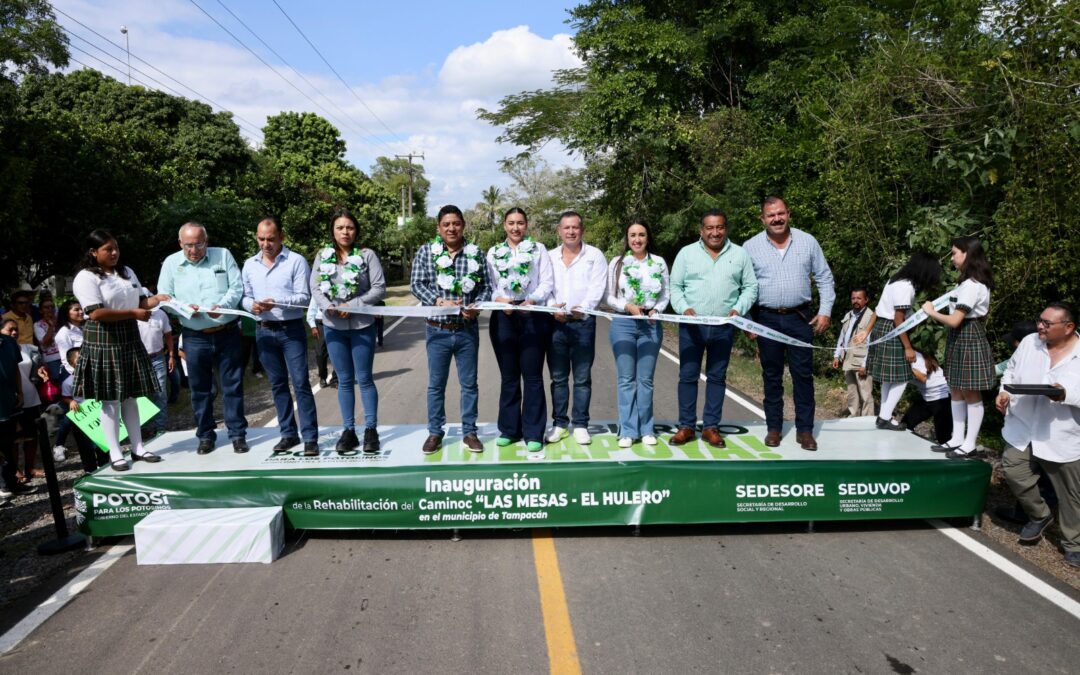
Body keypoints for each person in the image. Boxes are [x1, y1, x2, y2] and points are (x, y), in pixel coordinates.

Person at [744, 196, 835, 451]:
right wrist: (748, 321)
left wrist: (825, 310)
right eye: (771, 215)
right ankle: (774, 428)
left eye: (781, 213)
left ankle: (805, 430)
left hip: (799, 318)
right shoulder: (749, 247)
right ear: (763, 219)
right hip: (766, 319)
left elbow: (825, 278)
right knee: (771, 376)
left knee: (803, 376)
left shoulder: (808, 242)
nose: (777, 219)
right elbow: (741, 287)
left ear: (789, 214)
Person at [72, 230, 168, 471]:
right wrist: (134, 313)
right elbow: (95, 313)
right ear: (93, 252)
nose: (114, 253)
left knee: (132, 396)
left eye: (115, 248)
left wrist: (158, 299)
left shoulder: (126, 272)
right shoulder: (85, 277)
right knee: (110, 400)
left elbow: (138, 303)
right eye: (108, 249)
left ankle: (138, 447)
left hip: (129, 336)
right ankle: (116, 452)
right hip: (104, 339)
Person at [997, 301, 1080, 569]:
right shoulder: (1030, 342)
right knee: (1013, 471)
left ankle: (1073, 545)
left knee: (1070, 495)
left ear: (1069, 327)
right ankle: (1040, 514)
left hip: (1061, 433)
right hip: (1022, 424)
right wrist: (1005, 392)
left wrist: (1064, 393)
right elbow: (1011, 371)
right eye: (1039, 320)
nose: (1039, 327)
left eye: (1047, 323)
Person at [669, 210, 758, 448]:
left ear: (725, 229)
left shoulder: (740, 254)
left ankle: (710, 427)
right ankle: (686, 427)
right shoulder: (686, 253)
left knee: (717, 378)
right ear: (701, 230)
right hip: (691, 326)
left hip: (723, 327)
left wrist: (739, 309)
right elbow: (675, 287)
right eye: (709, 228)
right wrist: (683, 308)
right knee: (687, 376)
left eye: (719, 227)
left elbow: (750, 287)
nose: (714, 232)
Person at [158, 222, 248, 455]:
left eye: (198, 244)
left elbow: (236, 288)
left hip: (227, 331)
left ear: (206, 241)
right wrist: (184, 310)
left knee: (233, 386)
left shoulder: (223, 255)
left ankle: (238, 434)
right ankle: (206, 435)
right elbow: (165, 299)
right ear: (180, 244)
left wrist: (224, 306)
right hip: (194, 336)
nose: (194, 250)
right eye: (188, 245)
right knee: (200, 389)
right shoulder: (171, 263)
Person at [411, 205, 491, 454]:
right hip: (437, 330)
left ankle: (470, 432)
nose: (451, 228)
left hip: (467, 329)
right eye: (446, 224)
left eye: (456, 223)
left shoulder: (476, 253)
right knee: (436, 385)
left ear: (463, 225)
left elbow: (487, 287)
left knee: (469, 384)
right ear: (439, 227)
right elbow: (416, 284)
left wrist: (476, 306)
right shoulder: (426, 251)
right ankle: (435, 432)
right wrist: (438, 301)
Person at [243, 216, 320, 456]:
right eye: (261, 239)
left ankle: (310, 438)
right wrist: (251, 306)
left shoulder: (295, 261)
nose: (266, 244)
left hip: (290, 330)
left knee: (300, 383)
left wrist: (277, 301)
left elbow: (304, 297)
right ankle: (288, 434)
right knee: (277, 385)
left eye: (271, 239)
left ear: (281, 237)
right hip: (263, 330)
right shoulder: (249, 264)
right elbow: (244, 296)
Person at [314, 210, 387, 454]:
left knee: (364, 379)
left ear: (356, 231)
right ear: (333, 231)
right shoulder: (323, 256)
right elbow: (315, 287)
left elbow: (379, 288)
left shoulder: (368, 256)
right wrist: (329, 307)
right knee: (344, 381)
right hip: (333, 327)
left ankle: (371, 430)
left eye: (350, 228)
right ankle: (349, 431)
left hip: (362, 326)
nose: (345, 232)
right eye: (340, 228)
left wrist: (352, 305)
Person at [922, 236, 996, 458]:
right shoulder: (965, 283)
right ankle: (956, 438)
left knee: (970, 392)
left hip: (969, 336)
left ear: (967, 253)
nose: (952, 258)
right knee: (955, 388)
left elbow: (955, 320)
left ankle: (969, 443)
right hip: (959, 338)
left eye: (954, 253)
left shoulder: (973, 285)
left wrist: (931, 312)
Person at [486, 207, 553, 456]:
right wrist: (500, 300)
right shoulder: (494, 252)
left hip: (532, 315)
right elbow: (489, 284)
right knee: (509, 376)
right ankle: (509, 430)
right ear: (504, 225)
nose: (516, 228)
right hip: (503, 316)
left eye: (520, 223)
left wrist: (532, 300)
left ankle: (534, 432)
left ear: (527, 225)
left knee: (533, 376)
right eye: (511, 223)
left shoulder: (539, 250)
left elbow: (547, 282)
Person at [607, 219, 673, 448]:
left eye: (641, 235)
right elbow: (610, 297)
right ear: (627, 238)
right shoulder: (617, 263)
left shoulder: (659, 262)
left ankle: (646, 428)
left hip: (650, 324)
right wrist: (627, 307)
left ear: (648, 237)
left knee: (645, 380)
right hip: (623, 323)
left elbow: (666, 294)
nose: (637, 239)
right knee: (626, 380)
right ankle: (627, 430)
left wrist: (657, 309)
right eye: (632, 235)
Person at [546, 211, 607, 446]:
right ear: (559, 231)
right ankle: (560, 424)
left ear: (582, 230)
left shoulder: (594, 255)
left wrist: (586, 307)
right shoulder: (549, 257)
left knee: (582, 378)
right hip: (556, 324)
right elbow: (546, 286)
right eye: (566, 228)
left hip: (583, 324)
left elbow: (597, 287)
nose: (571, 232)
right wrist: (553, 307)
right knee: (558, 378)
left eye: (575, 228)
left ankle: (580, 424)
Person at [862, 253, 942, 430]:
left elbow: (881, 310)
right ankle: (884, 417)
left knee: (888, 378)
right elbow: (898, 320)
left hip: (882, 327)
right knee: (902, 376)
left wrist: (867, 331)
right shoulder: (906, 287)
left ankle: (884, 415)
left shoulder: (894, 280)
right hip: (892, 330)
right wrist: (908, 347)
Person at [1, 319, 45, 482]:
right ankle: (15, 470)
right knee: (13, 439)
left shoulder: (28, 349)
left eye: (16, 329)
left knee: (32, 436)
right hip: (12, 400)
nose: (14, 332)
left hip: (30, 396)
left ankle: (30, 468)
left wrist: (40, 370)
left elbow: (34, 369)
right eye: (9, 330)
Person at [59, 347, 107, 473]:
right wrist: (71, 401)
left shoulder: (97, 377)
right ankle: (89, 470)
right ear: (71, 363)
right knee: (85, 446)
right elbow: (65, 397)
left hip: (98, 415)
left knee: (102, 443)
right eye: (79, 358)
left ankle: (105, 466)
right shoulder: (68, 382)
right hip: (81, 417)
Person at [0, 324, 34, 499]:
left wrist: (20, 392)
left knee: (9, 444)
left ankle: (10, 484)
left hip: (8, 401)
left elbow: (15, 370)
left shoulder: (8, 342)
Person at [832, 287, 875, 418]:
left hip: (861, 359)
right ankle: (854, 415)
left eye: (859, 298)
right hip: (848, 358)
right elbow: (842, 336)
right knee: (852, 391)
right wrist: (837, 355)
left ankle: (867, 418)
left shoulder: (870, 317)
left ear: (866, 300)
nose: (855, 301)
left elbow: (872, 344)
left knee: (865, 392)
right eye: (853, 298)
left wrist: (865, 364)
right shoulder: (849, 315)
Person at [136, 291, 173, 439]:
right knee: (142, 395)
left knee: (160, 392)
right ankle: (145, 427)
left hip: (158, 357)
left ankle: (161, 427)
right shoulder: (132, 316)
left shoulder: (160, 315)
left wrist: (171, 356)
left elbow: (168, 336)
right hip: (139, 360)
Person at [899, 349, 953, 444]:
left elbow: (922, 378)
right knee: (905, 423)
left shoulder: (914, 356)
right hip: (927, 397)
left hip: (942, 397)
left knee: (943, 437)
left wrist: (906, 368)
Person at [307, 300, 337, 389]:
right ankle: (322, 377)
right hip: (321, 324)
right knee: (320, 354)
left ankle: (335, 379)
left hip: (335, 323)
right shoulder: (318, 289)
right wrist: (313, 326)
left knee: (336, 352)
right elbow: (311, 311)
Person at [33, 298, 63, 382]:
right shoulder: (37, 325)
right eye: (46, 307)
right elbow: (45, 343)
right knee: (58, 384)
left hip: (67, 357)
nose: (50, 309)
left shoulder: (61, 322)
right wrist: (51, 326)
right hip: (52, 360)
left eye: (52, 307)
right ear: (41, 311)